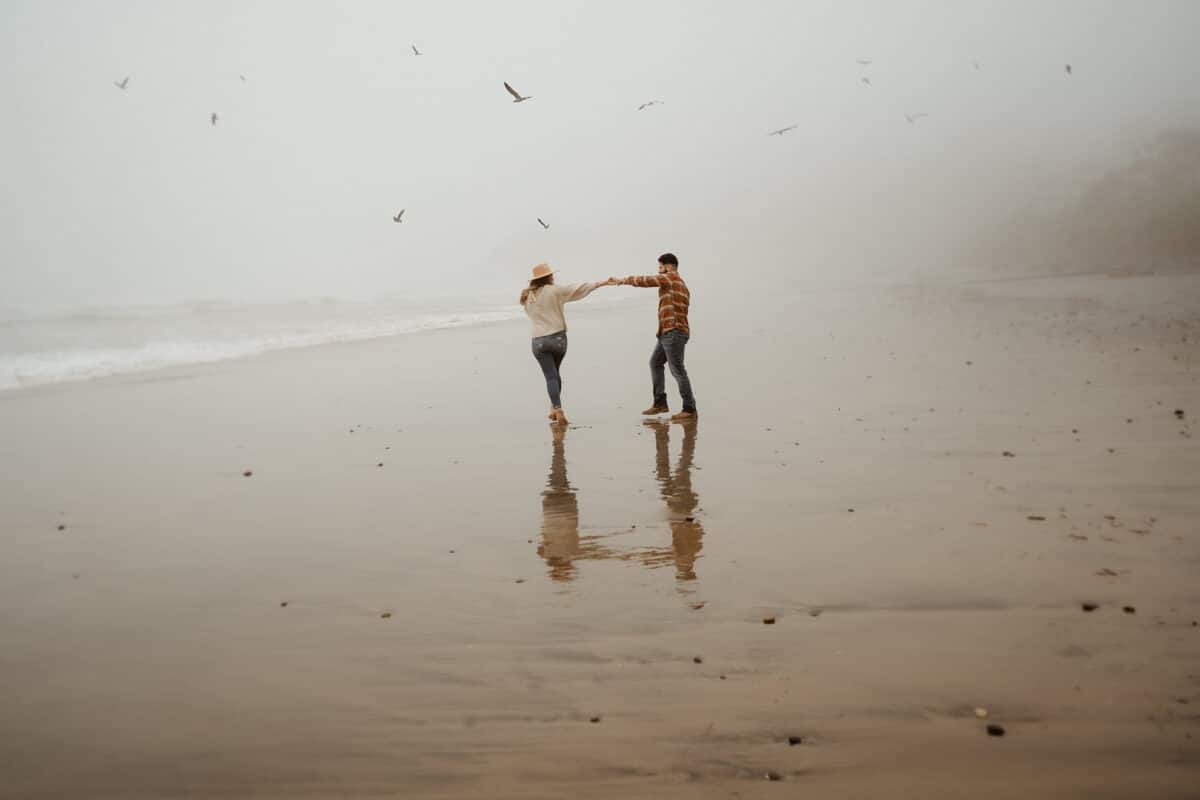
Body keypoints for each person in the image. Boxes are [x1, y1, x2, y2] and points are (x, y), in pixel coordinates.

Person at [520, 263, 614, 424]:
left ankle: (556, 408)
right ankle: (555, 409)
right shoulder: (553, 290)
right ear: (548, 277)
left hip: (538, 341)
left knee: (551, 376)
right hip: (558, 339)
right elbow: (577, 289)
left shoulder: (526, 297)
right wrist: (602, 283)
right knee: (555, 375)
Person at [612, 253, 697, 420]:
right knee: (655, 363)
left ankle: (689, 408)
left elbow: (647, 280)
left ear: (669, 266)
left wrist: (623, 280)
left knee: (677, 370)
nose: (659, 272)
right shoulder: (682, 286)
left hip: (673, 331)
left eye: (660, 267)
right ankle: (660, 403)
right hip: (670, 332)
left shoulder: (671, 278)